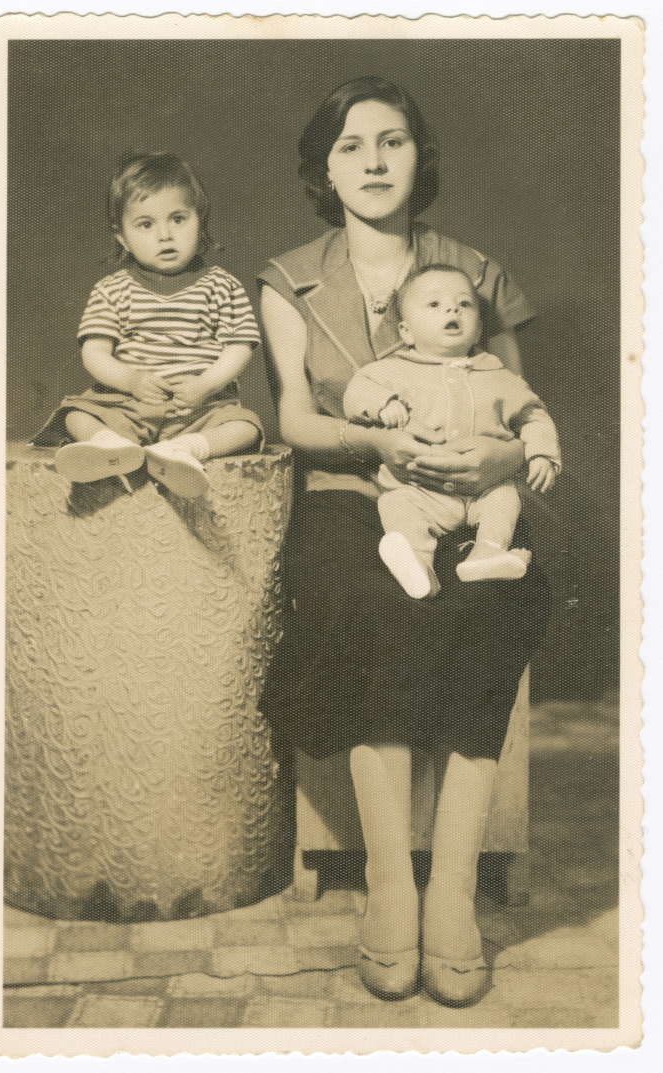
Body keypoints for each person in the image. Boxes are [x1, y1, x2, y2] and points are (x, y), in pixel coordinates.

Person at [258, 76, 551, 1007]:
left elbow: (520, 407)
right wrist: (382, 442)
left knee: (496, 596)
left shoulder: (477, 270)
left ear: (422, 158)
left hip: (471, 495)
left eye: (393, 141)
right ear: (324, 168)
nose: (374, 160)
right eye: (350, 145)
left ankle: (453, 894)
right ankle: (392, 884)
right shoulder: (287, 278)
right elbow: (299, 422)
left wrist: (494, 459)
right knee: (359, 599)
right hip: (353, 494)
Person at [35, 152, 263, 498]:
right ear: (123, 237)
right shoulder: (113, 288)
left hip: (199, 409)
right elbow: (94, 352)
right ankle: (110, 446)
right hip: (126, 405)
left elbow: (239, 347)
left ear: (199, 221)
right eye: (146, 224)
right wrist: (131, 380)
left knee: (245, 426)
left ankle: (185, 450)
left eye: (178, 219)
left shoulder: (222, 284)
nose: (165, 235)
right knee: (74, 415)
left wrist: (205, 384)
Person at [343, 264, 562, 599]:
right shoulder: (389, 371)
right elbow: (357, 391)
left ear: (477, 329)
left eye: (464, 304)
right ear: (406, 331)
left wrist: (542, 452)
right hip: (420, 487)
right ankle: (418, 565)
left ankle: (487, 552)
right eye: (434, 305)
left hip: (486, 486)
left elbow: (533, 416)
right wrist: (383, 403)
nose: (452, 309)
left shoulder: (500, 376)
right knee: (397, 506)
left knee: (505, 500)